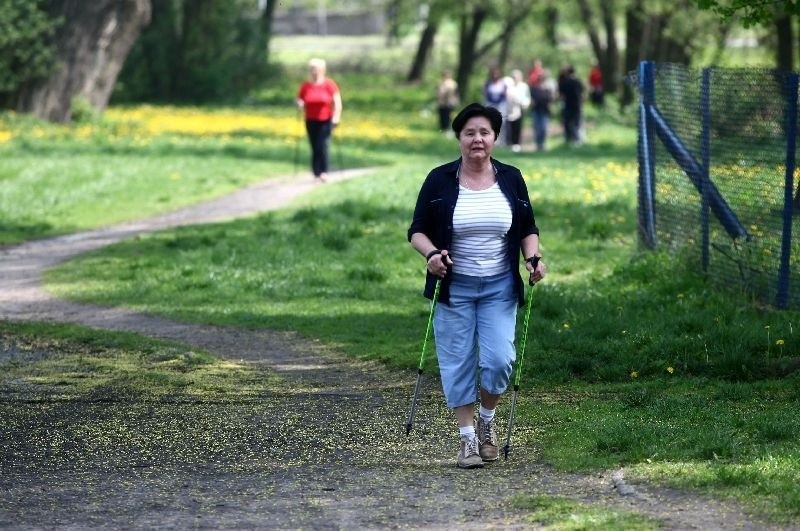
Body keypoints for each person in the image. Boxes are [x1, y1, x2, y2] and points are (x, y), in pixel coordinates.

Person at [407, 103, 547, 469]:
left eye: (484, 132)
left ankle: (488, 420)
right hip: (454, 287)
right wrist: (432, 255)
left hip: (499, 286)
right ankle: (468, 439)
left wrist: (533, 258)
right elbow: (417, 230)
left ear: (495, 138)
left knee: (500, 360)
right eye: (469, 133)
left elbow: (528, 228)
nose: (477, 140)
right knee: (457, 363)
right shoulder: (439, 180)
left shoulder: (512, 179)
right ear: (459, 138)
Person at [296, 57, 342, 182]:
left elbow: (337, 102)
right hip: (310, 119)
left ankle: (324, 172)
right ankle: (316, 172)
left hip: (326, 119)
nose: (313, 71)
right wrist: (299, 103)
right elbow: (300, 99)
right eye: (311, 69)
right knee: (314, 146)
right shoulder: (306, 86)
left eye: (315, 68)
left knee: (322, 145)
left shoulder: (329, 85)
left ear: (323, 70)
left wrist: (336, 117)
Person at [557, 65, 584, 146]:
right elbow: (582, 94)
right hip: (577, 105)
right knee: (577, 123)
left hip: (567, 105)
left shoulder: (564, 82)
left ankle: (569, 139)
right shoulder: (578, 81)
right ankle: (577, 139)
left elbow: (561, 95)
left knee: (568, 123)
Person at [505, 69, 531, 152]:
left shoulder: (524, 86)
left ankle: (517, 144)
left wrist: (525, 104)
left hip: (520, 108)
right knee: (510, 126)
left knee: (518, 126)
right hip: (510, 109)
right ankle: (510, 143)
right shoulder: (509, 86)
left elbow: (527, 97)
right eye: (514, 77)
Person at [529, 69, 554, 151]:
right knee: (537, 128)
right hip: (536, 111)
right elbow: (531, 99)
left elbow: (550, 100)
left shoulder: (547, 89)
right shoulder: (534, 88)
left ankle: (542, 143)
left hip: (545, 111)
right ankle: (538, 144)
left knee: (543, 128)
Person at [483, 66, 508, 145]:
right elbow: (485, 94)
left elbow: (505, 95)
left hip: (501, 104)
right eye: (493, 74)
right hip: (490, 104)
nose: (495, 75)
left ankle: (502, 141)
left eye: (496, 74)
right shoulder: (488, 84)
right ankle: (491, 140)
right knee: (490, 122)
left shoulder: (503, 84)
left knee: (502, 122)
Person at [435, 69, 460, 134]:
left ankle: (448, 129)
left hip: (450, 102)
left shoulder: (453, 83)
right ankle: (442, 129)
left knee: (448, 116)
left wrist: (456, 100)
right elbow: (437, 92)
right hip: (441, 102)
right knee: (442, 116)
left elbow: (456, 93)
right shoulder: (440, 83)